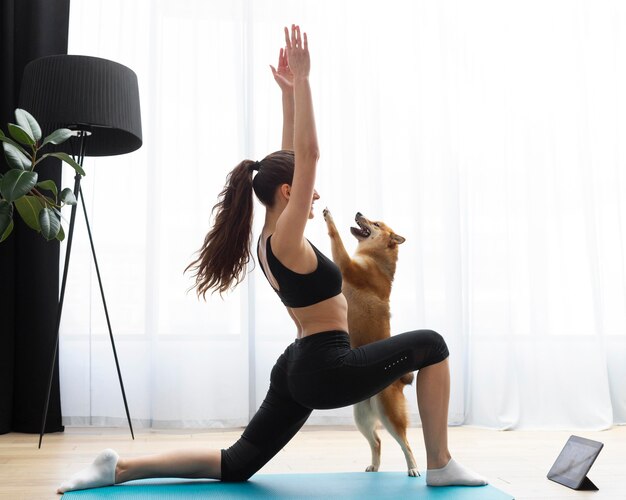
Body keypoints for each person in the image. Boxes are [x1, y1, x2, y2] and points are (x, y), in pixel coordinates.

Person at [57, 25, 487, 494]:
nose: (314, 190)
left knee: (238, 462)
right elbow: (308, 153)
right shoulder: (285, 239)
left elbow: (290, 157)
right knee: (433, 344)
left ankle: (118, 468)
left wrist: (286, 96)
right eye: (304, 186)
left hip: (297, 365)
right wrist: (303, 80)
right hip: (325, 368)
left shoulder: (270, 237)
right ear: (289, 191)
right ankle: (441, 463)